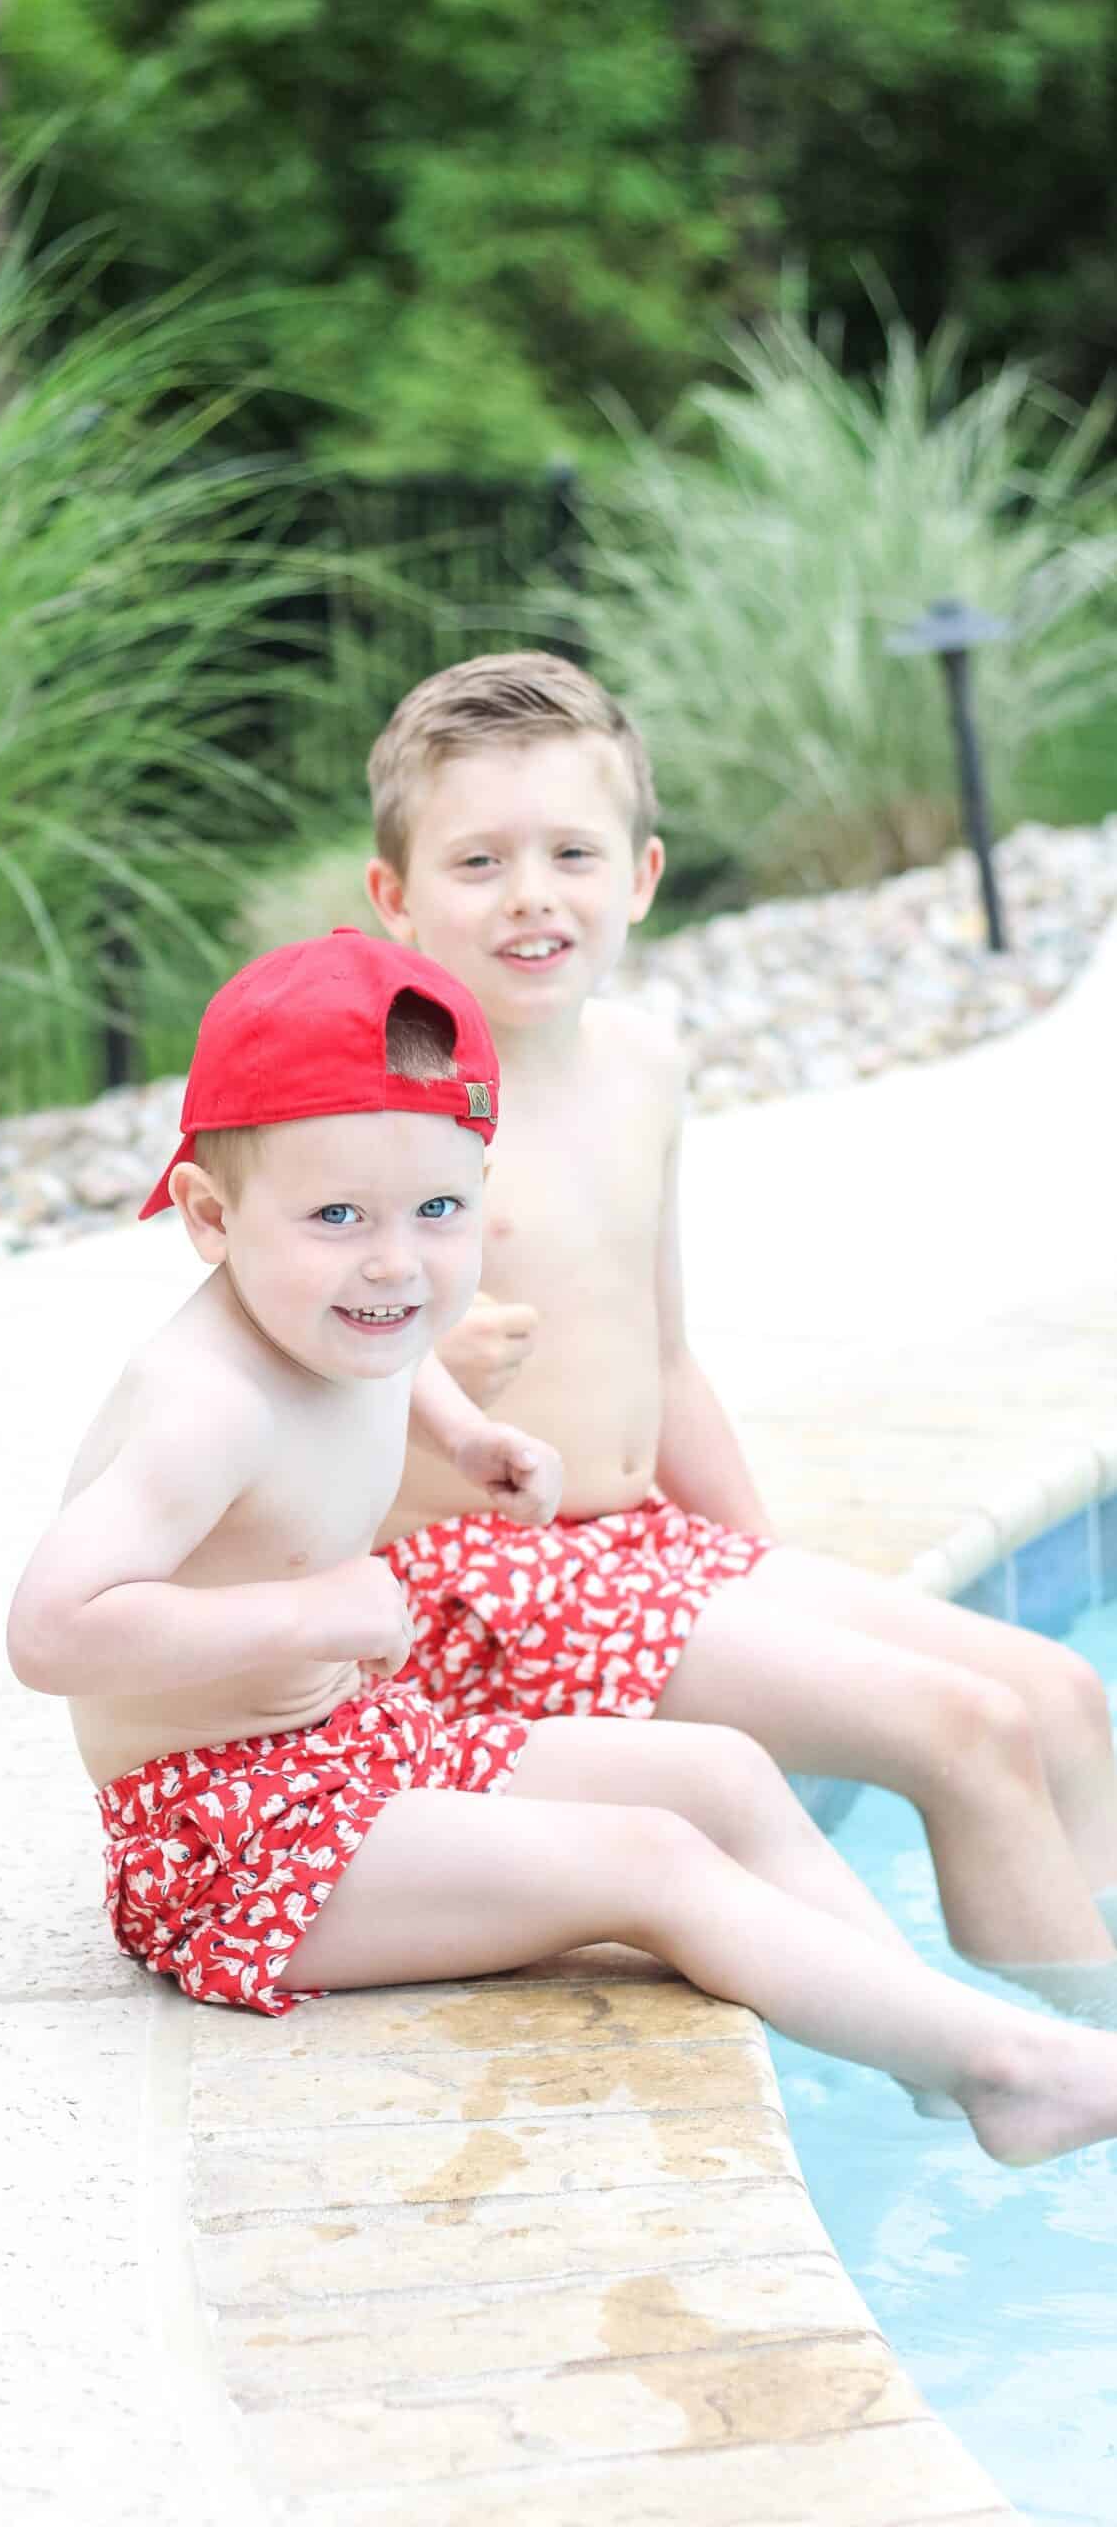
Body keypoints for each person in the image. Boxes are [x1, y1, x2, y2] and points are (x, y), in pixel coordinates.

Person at [7, 929, 1117, 2164]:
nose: (395, 1260)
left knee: (726, 1777)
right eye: (336, 1215)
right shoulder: (203, 1403)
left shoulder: (336, 1312)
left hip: (358, 1752)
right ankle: (1007, 2068)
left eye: (440, 1209)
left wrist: (470, 1432)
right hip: (228, 1844)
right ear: (211, 1217)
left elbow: (390, 1353)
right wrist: (317, 1616)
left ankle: (940, 2045)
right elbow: (51, 1629)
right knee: (651, 1863)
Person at [364, 651, 1117, 2020]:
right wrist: (415, 1383)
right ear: (393, 900)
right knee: (965, 1727)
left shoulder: (640, 1065)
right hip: (480, 1581)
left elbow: (659, 1358)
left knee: (1059, 1690)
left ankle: (1091, 2006)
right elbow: (285, 1394)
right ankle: (1046, 2082)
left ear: (640, 878)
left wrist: (760, 1572)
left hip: (644, 1547)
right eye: (476, 861)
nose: (530, 892)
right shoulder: (385, 1114)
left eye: (569, 852)